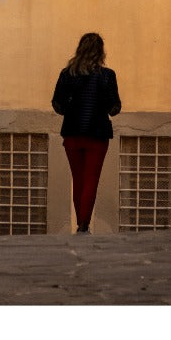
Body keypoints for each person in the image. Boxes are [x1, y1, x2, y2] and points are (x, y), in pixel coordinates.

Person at [51, 32, 122, 233]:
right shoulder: (107, 76)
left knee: (78, 179)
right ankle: (84, 223)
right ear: (100, 52)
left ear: (79, 49)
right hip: (97, 134)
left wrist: (71, 108)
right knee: (91, 179)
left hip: (72, 133)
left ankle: (81, 222)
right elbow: (114, 108)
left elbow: (57, 104)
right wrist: (103, 104)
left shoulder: (67, 74)